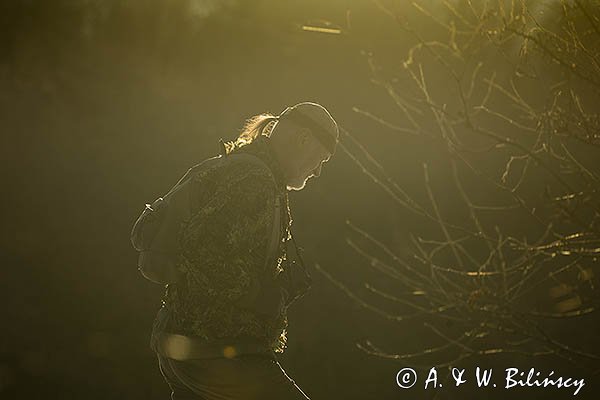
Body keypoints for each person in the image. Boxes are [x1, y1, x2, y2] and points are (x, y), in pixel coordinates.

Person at [149, 101, 339, 399]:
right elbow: (203, 252)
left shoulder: (247, 170)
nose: (317, 172)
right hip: (216, 351)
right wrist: (264, 296)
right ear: (303, 140)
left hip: (188, 346)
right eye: (322, 160)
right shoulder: (254, 181)